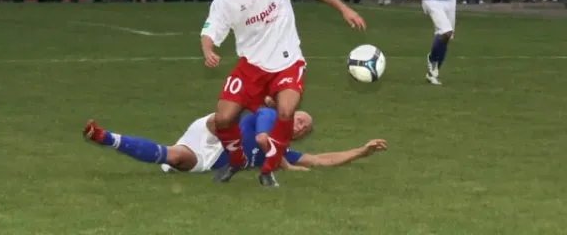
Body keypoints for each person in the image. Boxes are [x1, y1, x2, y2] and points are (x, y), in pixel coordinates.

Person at [200, 0, 366, 187]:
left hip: (288, 62)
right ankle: (236, 160)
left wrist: (343, 8)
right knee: (223, 118)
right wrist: (208, 50)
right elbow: (209, 31)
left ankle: (267, 170)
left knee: (287, 111)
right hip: (251, 67)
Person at [83, 108, 387, 173]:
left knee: (175, 159)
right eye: (299, 119)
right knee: (225, 118)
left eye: (304, 129)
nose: (300, 127)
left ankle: (104, 137)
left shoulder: (284, 151)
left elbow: (321, 160)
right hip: (212, 131)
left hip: (210, 159)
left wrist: (362, 150)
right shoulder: (265, 118)